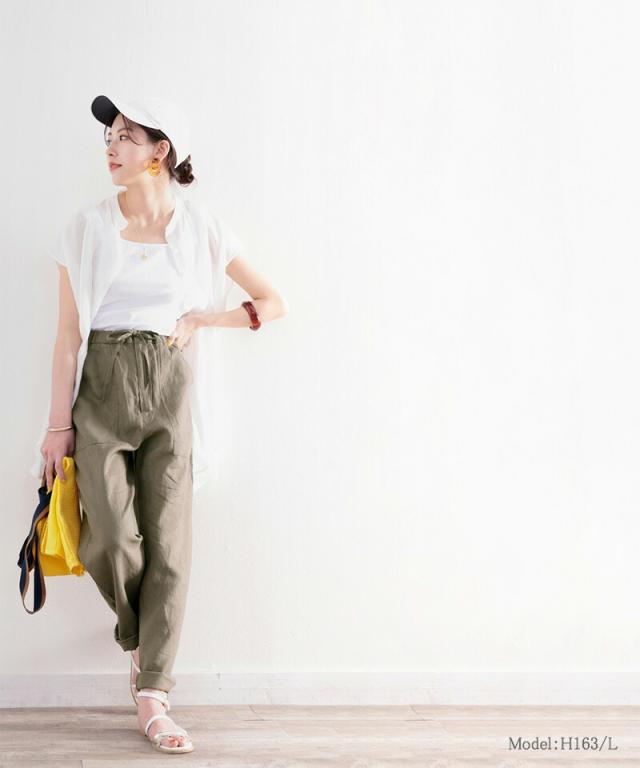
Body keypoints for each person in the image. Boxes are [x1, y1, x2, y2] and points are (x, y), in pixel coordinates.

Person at [36, 95, 288, 754]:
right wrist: (56, 427)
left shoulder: (201, 225)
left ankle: (154, 694)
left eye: (126, 136)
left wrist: (206, 317)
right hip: (101, 391)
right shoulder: (85, 228)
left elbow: (272, 302)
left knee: (171, 548)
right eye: (108, 137)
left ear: (160, 150)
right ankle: (141, 639)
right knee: (111, 536)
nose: (111, 148)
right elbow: (67, 338)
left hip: (170, 389)